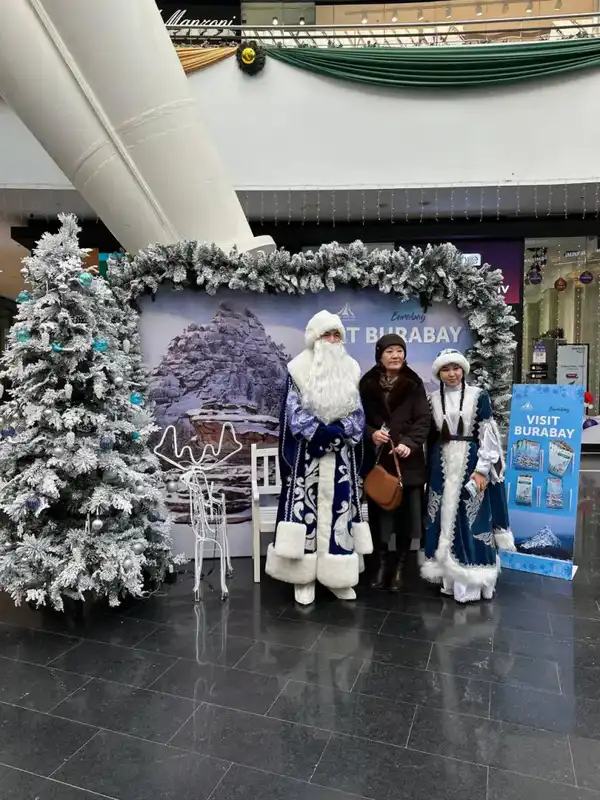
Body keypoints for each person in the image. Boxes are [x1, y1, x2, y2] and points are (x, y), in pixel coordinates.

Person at [265, 310, 373, 605]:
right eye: (328, 334)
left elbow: (358, 414)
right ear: (315, 338)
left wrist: (338, 431)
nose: (333, 340)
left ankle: (337, 575)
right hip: (307, 457)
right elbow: (292, 412)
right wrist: (317, 433)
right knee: (305, 513)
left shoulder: (351, 368)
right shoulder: (297, 369)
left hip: (340, 458)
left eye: (337, 335)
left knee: (339, 514)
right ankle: (303, 577)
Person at [421, 348, 516, 603]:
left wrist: (482, 470)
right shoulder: (432, 399)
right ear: (438, 373)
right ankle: (448, 578)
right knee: (442, 516)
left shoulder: (478, 396)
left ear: (463, 369)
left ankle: (474, 579)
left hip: (471, 461)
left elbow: (488, 433)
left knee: (473, 517)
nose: (452, 374)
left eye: (456, 368)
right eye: (446, 369)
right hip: (441, 462)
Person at [359, 334, 430, 591]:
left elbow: (424, 419)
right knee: (380, 519)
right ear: (380, 354)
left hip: (407, 463)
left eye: (400, 351)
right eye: (390, 351)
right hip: (380, 463)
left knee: (406, 519)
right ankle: (379, 566)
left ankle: (399, 569)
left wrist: (409, 443)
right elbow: (358, 418)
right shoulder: (367, 383)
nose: (396, 356)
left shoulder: (414, 383)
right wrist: (371, 434)